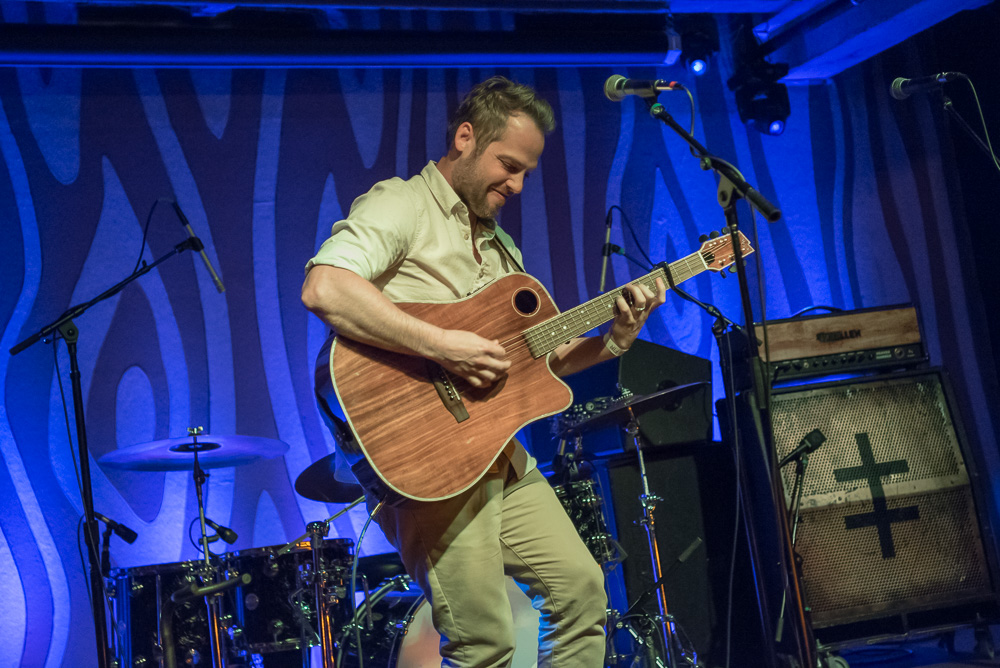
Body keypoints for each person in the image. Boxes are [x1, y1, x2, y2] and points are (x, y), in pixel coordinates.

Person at [302, 76, 665, 667]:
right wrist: (444, 345)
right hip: (426, 459)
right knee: (485, 643)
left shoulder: (500, 250)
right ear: (465, 138)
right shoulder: (402, 203)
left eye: (526, 172)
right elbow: (325, 288)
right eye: (508, 165)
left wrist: (613, 342)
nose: (517, 185)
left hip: (496, 453)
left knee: (582, 596)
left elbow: (537, 363)